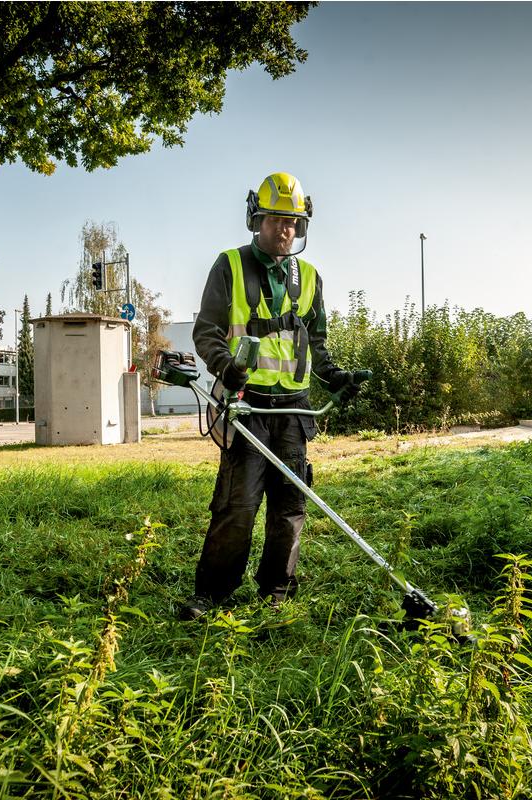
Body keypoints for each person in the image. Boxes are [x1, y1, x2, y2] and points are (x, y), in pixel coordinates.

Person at [182, 172, 366, 620]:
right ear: (256, 220)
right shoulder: (229, 265)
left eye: (293, 222)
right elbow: (206, 332)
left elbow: (315, 343)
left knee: (290, 505)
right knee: (237, 504)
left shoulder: (310, 277)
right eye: (277, 220)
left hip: (294, 410)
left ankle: (276, 592)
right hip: (247, 405)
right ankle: (211, 595)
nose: (286, 229)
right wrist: (227, 366)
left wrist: (335, 375)